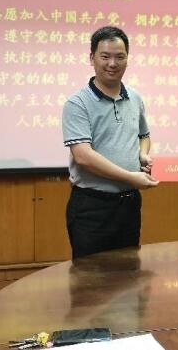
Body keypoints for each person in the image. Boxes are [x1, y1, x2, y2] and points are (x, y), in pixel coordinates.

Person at [62, 26, 159, 259]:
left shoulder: (135, 98)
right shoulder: (77, 103)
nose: (112, 64)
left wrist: (142, 154)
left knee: (128, 272)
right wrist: (130, 177)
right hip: (92, 206)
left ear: (127, 58)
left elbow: (143, 136)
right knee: (91, 276)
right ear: (92, 58)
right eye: (105, 56)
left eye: (119, 57)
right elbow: (83, 156)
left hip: (129, 204)